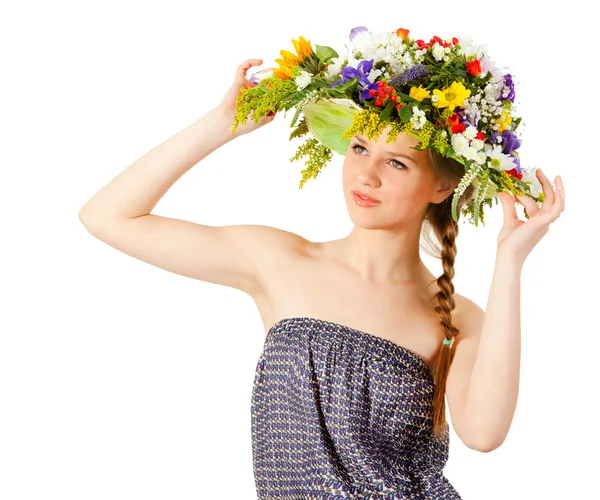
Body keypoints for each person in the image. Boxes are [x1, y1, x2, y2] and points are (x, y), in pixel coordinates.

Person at [78, 27, 565, 499]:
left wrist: (510, 261)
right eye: (358, 149)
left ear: (442, 187)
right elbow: (107, 217)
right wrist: (223, 124)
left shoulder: (456, 318)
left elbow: (483, 434)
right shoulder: (280, 262)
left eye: (397, 162)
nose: (366, 175)